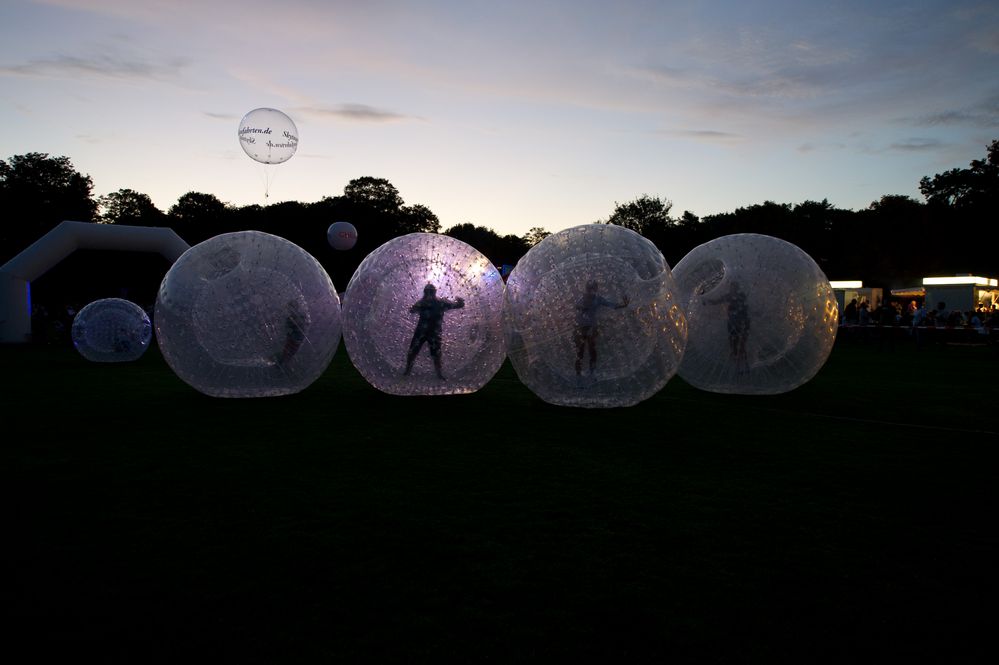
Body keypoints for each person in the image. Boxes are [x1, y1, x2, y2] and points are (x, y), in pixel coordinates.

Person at [404, 283, 464, 379]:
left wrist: (460, 302)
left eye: (430, 291)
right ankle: (408, 371)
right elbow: (412, 310)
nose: (429, 294)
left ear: (434, 292)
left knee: (433, 353)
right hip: (427, 332)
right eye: (428, 292)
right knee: (416, 352)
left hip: (428, 332)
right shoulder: (430, 303)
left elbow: (458, 305)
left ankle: (438, 374)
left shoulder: (437, 302)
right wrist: (459, 302)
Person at [573, 280, 629, 376]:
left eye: (592, 288)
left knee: (592, 350)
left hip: (590, 327)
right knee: (581, 352)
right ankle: (579, 374)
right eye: (589, 288)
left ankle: (592, 372)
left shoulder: (597, 299)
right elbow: (576, 306)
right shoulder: (583, 298)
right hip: (581, 327)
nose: (591, 291)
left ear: (595, 289)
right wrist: (582, 307)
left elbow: (611, 304)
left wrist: (623, 305)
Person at [705, 280, 750, 370]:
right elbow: (717, 301)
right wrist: (706, 300)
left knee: (740, 343)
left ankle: (743, 363)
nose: (732, 289)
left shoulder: (740, 296)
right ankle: (738, 363)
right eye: (732, 287)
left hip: (740, 323)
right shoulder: (730, 296)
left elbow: (744, 308)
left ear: (737, 288)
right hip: (733, 323)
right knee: (733, 342)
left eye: (734, 287)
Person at [275, 299, 308, 366]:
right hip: (295, 338)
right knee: (289, 351)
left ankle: (282, 362)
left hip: (295, 338)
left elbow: (302, 325)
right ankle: (282, 361)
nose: (289, 310)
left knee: (289, 352)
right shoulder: (295, 317)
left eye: (291, 308)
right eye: (289, 308)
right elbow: (288, 328)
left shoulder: (299, 317)